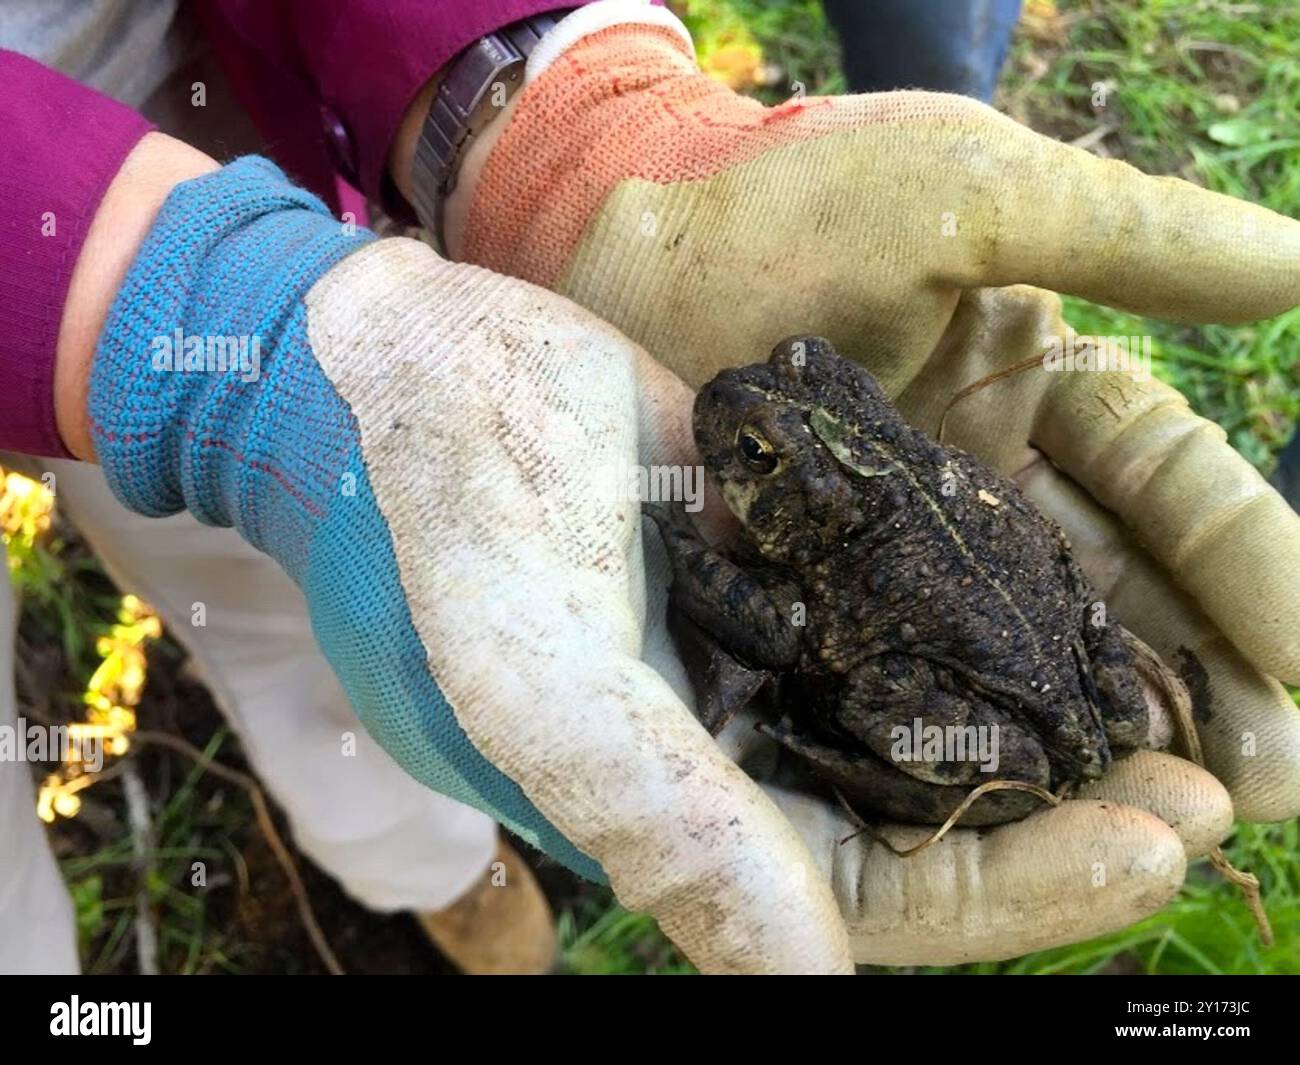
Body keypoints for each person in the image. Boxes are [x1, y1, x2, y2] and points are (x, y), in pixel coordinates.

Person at [2, 0, 1298, 977]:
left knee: (287, 586)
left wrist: (563, 115)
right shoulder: (888, 489)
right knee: (355, 514)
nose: (743, 423)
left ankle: (421, 858)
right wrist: (188, 310)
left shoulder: (829, 543)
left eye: (769, 458)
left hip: (175, 71)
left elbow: (788, 627)